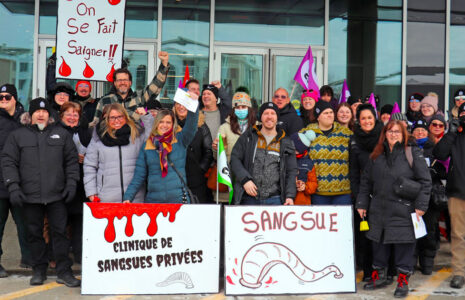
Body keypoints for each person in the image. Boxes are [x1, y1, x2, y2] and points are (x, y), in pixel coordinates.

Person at [2, 97, 80, 287]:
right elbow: (8, 162)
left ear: (49, 115)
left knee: (60, 234)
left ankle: (64, 270)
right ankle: (39, 269)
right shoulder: (18, 135)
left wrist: (71, 185)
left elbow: (71, 162)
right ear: (31, 115)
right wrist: (13, 186)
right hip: (30, 196)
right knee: (34, 234)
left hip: (57, 195)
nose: (41, 114)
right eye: (37, 111)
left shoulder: (61, 134)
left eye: (44, 111)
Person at [356, 120, 431, 297]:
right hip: (378, 210)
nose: (393, 134)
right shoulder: (377, 155)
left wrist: (421, 206)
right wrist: (362, 204)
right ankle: (379, 275)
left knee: (403, 246)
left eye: (397, 131)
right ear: (384, 134)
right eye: (390, 131)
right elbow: (366, 182)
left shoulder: (412, 152)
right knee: (379, 244)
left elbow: (425, 181)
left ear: (403, 134)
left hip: (404, 210)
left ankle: (403, 281)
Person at [123, 96, 199, 203]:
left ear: (173, 125)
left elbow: (192, 125)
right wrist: (128, 197)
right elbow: (138, 177)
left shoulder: (180, 140)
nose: (164, 125)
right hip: (154, 202)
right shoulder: (147, 145)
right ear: (156, 124)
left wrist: (194, 103)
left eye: (168, 122)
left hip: (178, 201)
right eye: (161, 122)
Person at [230, 102, 297, 205]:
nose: (269, 117)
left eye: (272, 113)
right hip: (249, 198)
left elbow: (291, 171)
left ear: (277, 118)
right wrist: (245, 180)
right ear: (260, 117)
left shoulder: (286, 142)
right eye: (266, 113)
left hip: (275, 199)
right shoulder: (248, 137)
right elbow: (235, 158)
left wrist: (289, 196)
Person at [84, 104, 153, 203]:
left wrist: (146, 117)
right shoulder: (98, 138)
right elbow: (89, 166)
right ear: (107, 119)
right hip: (106, 198)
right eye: (112, 117)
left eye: (120, 116)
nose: (116, 121)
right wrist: (91, 192)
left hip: (134, 198)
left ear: (125, 117)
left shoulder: (135, 135)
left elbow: (151, 136)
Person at [349, 103, 384, 282]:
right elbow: (353, 173)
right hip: (364, 195)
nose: (367, 121)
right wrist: (358, 200)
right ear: (358, 121)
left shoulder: (385, 137)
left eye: (370, 117)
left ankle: (387, 271)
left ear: (375, 118)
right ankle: (369, 272)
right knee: (366, 236)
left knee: (384, 235)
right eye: (363, 118)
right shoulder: (354, 140)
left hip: (385, 194)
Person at [433, 102, 465, 289]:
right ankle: (459, 273)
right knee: (458, 235)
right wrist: (451, 132)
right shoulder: (455, 135)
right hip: (458, 192)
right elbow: (440, 154)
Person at [0, 84, 31, 277]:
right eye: (1, 97)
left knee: (25, 223)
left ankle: (29, 258)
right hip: (0, 182)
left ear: (15, 98)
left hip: (22, 182)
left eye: (7, 97)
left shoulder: (25, 120)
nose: (3, 100)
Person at [91, 51, 170, 125]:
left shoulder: (139, 97)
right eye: (119, 80)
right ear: (114, 83)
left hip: (134, 138)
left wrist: (164, 64)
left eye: (125, 80)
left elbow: (155, 86)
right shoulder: (104, 101)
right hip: (111, 138)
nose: (122, 83)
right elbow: (95, 124)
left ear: (130, 83)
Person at [58, 102, 92, 264]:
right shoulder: (55, 132)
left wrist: (86, 159)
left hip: (81, 186)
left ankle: (80, 256)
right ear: (61, 116)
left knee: (79, 224)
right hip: (60, 184)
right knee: (60, 224)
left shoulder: (86, 133)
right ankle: (60, 258)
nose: (72, 117)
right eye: (68, 114)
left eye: (75, 114)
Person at [302, 101, 352, 204]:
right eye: (325, 113)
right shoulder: (308, 132)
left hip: (342, 192)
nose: (329, 115)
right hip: (318, 192)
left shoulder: (346, 134)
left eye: (331, 112)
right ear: (318, 117)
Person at [173, 98, 213, 203]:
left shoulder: (201, 126)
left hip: (196, 180)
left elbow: (208, 151)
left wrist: (200, 169)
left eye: (185, 104)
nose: (181, 107)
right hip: (175, 178)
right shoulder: (169, 124)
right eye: (178, 103)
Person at [214, 92, 257, 163]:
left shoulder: (258, 127)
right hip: (231, 170)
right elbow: (217, 156)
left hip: (252, 171)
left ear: (249, 108)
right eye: (237, 107)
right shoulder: (224, 128)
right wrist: (216, 149)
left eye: (243, 107)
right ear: (233, 109)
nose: (240, 110)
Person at [290, 130, 317, 205]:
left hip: (301, 203)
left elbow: (313, 183)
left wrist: (305, 187)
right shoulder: (284, 159)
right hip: (284, 202)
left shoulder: (309, 163)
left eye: (296, 150)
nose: (292, 151)